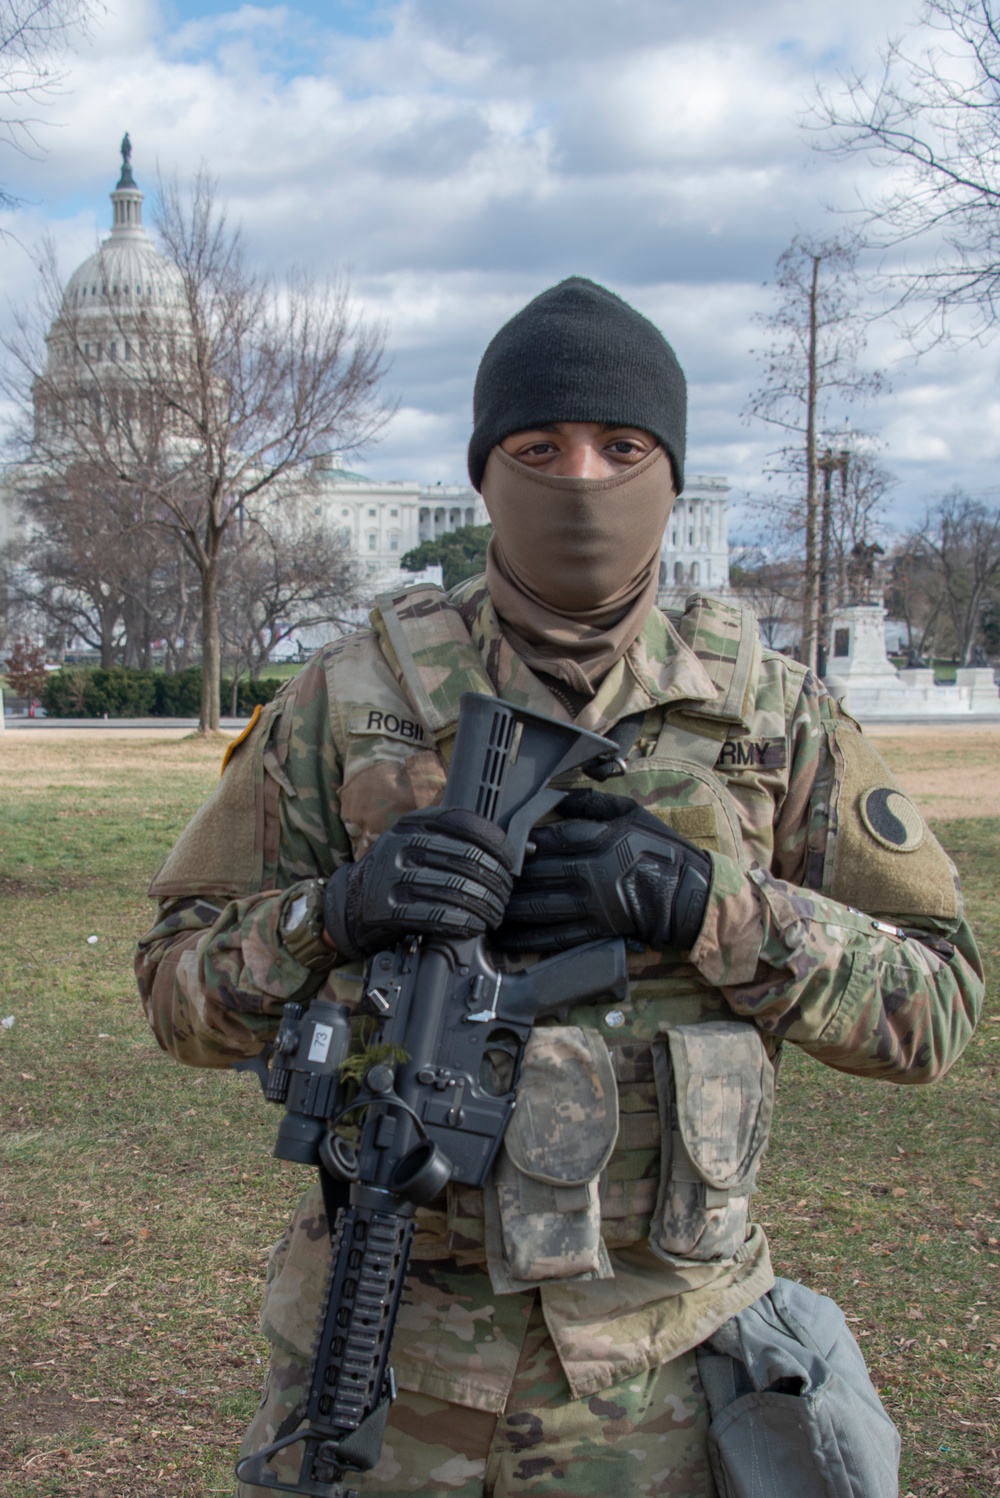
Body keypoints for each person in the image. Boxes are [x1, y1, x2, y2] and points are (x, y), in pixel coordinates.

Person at [136, 277, 983, 1498]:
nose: (579, 476)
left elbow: (936, 1006)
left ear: (669, 473)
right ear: (485, 471)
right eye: (537, 446)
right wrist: (338, 910)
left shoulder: (771, 714)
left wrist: (707, 905)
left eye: (620, 445)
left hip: (667, 1381)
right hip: (391, 1373)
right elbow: (174, 992)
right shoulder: (348, 698)